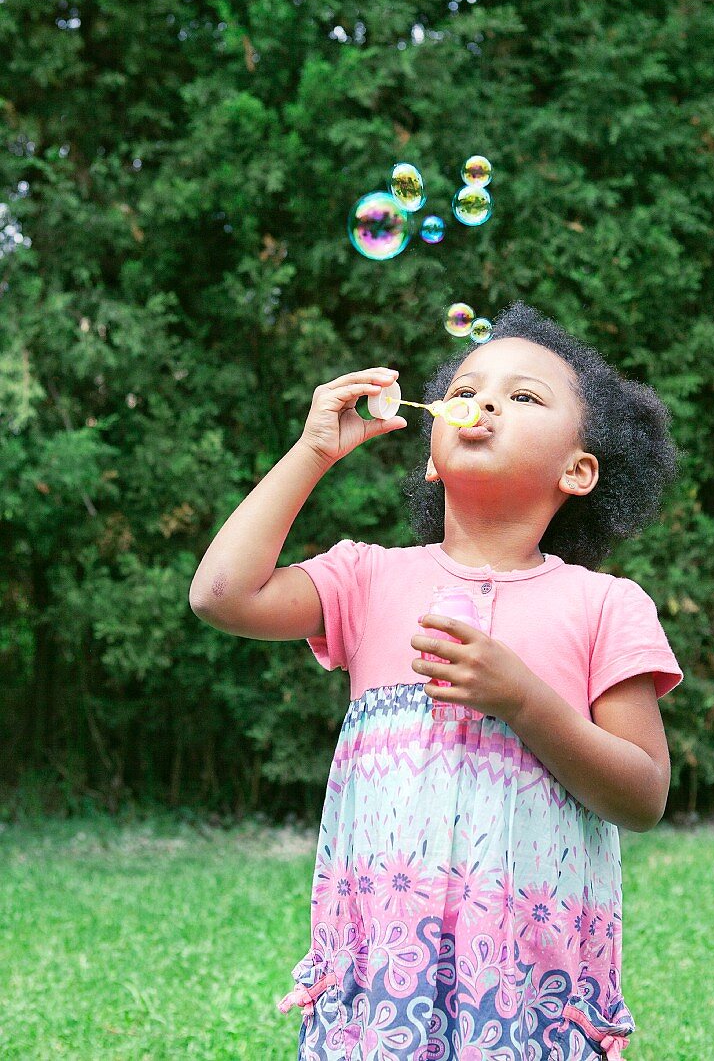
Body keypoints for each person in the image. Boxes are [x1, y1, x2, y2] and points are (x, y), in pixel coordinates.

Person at [189, 301, 684, 1060]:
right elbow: (220, 596)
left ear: (578, 470)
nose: (483, 400)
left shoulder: (606, 606)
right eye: (468, 388)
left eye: (523, 396)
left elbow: (644, 794)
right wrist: (313, 451)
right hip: (383, 973)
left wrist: (523, 700)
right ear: (431, 454)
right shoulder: (366, 577)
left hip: (527, 985)